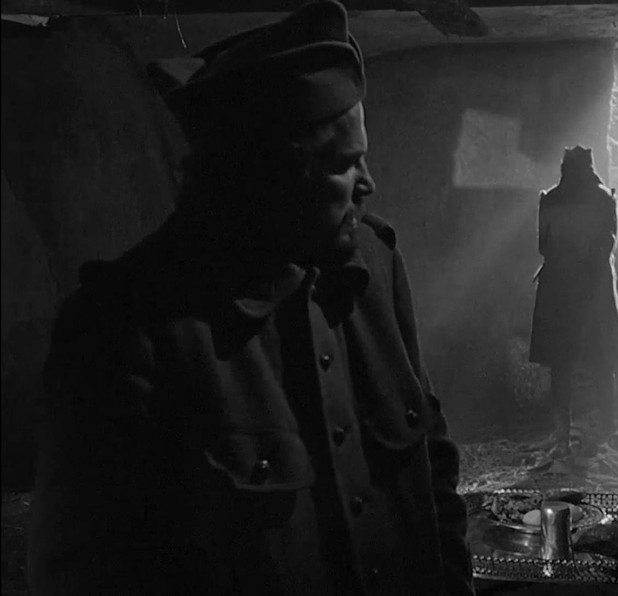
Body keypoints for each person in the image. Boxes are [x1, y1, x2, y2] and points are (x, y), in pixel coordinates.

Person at [27, 3, 474, 595]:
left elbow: (433, 471)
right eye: (343, 164)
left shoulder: (374, 266)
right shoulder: (127, 330)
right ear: (267, 174)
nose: (369, 183)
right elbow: (87, 573)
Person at [529, 146, 618, 456]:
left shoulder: (550, 200)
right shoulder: (606, 199)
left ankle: (562, 433)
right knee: (602, 361)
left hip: (559, 288)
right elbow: (609, 244)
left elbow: (543, 246)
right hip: (595, 289)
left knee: (561, 364)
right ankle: (606, 428)